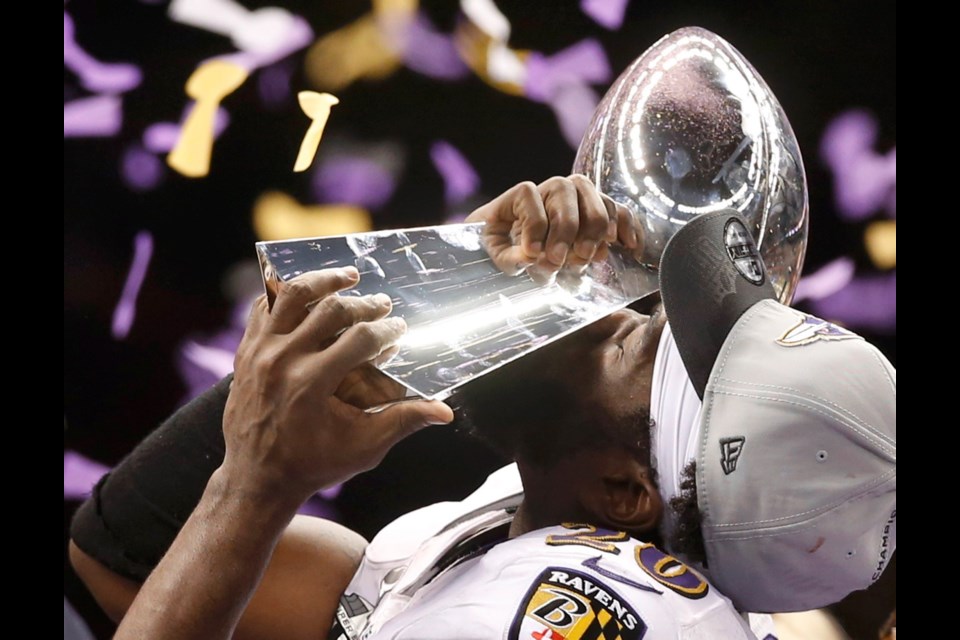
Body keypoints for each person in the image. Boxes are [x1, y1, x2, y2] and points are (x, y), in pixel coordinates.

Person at [70, 177, 895, 638]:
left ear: (623, 490)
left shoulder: (597, 616)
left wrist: (251, 486)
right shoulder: (517, 531)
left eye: (626, 350)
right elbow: (112, 567)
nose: (601, 310)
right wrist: (448, 283)